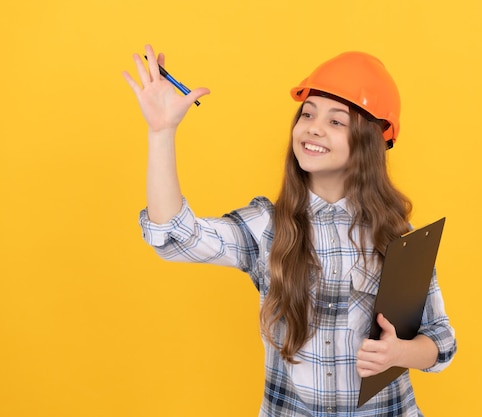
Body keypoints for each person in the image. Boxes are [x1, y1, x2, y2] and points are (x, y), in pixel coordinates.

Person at [123, 44, 456, 417]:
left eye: (335, 121)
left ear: (370, 142)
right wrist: (161, 132)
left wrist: (402, 353)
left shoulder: (397, 234)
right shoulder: (267, 226)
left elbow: (441, 338)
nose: (313, 127)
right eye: (307, 114)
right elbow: (173, 237)